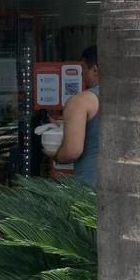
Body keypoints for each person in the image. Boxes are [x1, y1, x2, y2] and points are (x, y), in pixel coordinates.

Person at [55, 45, 101, 184]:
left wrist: (56, 156)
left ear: (95, 69)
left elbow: (71, 152)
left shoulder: (81, 101)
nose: (81, 75)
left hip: (90, 185)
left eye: (83, 69)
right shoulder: (129, 100)